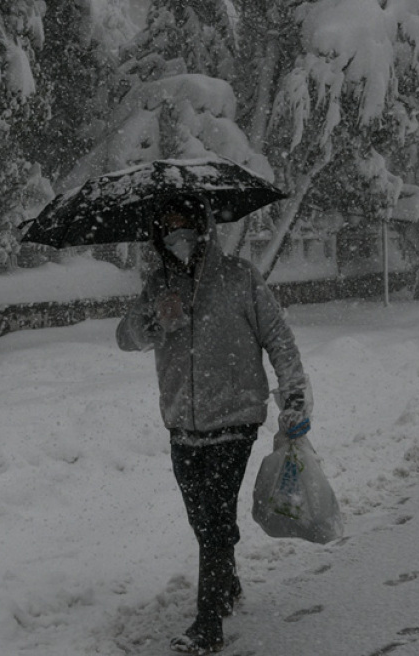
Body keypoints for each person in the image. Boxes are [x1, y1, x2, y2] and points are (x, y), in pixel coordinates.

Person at [117, 195, 311, 654]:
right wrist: (152, 319)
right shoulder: (158, 285)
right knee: (200, 518)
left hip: (235, 418)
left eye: (184, 223)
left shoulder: (239, 278)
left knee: (212, 518)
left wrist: (295, 393)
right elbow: (125, 338)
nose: (176, 233)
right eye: (166, 226)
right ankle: (227, 579)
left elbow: (278, 337)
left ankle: (208, 624)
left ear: (203, 226)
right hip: (182, 423)